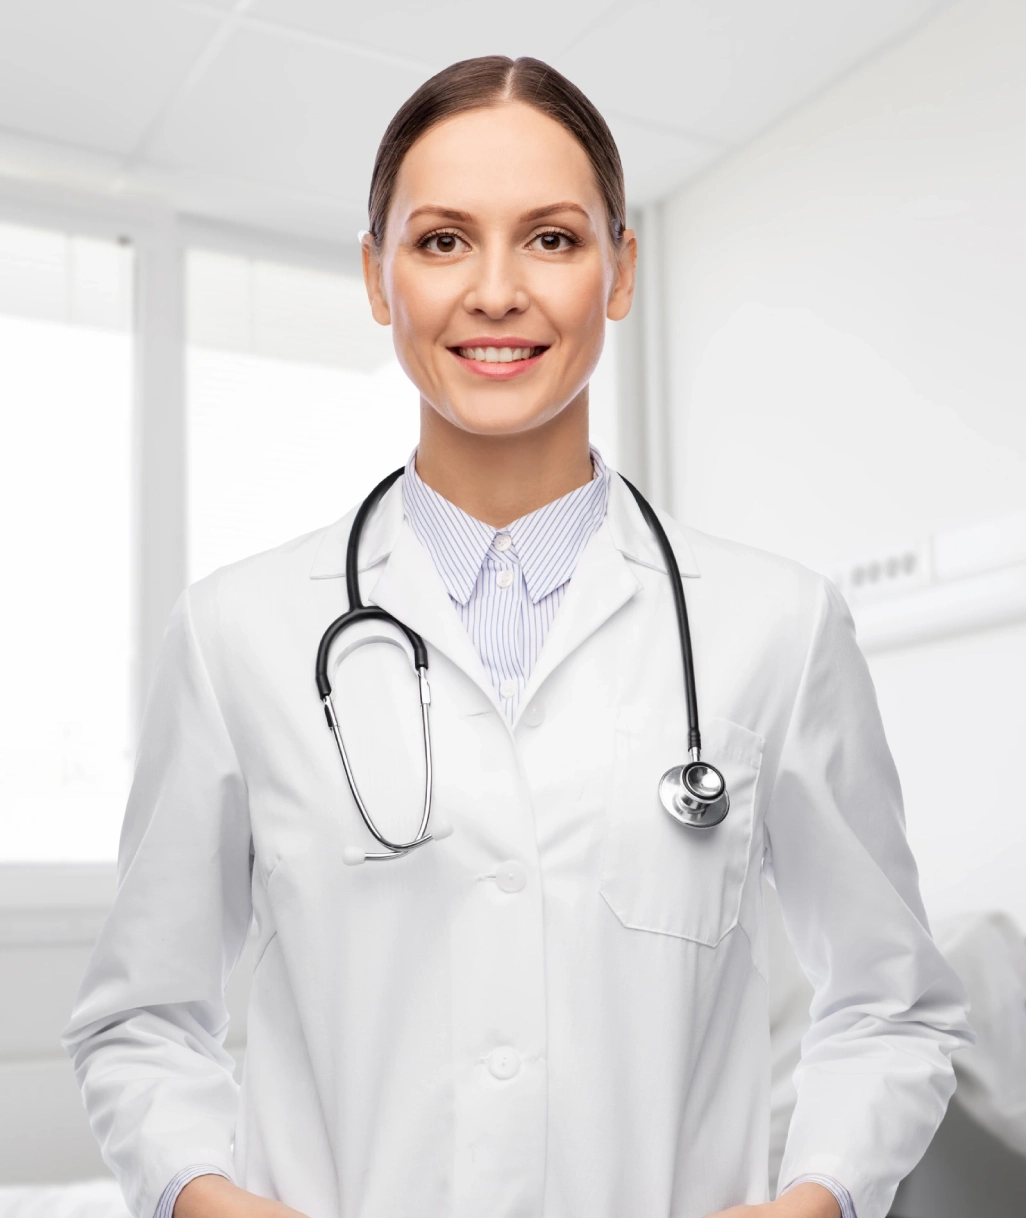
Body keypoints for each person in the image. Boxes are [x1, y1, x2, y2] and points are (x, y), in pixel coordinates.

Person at [63, 56, 972, 1218]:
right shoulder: (238, 632)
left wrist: (818, 1197)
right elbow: (141, 1017)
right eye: (442, 241)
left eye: (551, 238)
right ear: (377, 277)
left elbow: (893, 1004)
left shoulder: (776, 628)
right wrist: (202, 1196)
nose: (496, 292)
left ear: (621, 269)